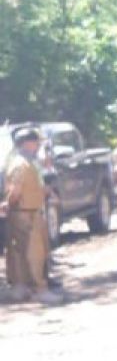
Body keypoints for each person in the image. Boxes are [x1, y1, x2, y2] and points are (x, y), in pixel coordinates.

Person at [3, 127, 59, 303]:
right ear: (26, 143)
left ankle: (22, 287)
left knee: (20, 251)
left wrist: (46, 191)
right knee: (34, 253)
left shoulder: (29, 162)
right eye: (35, 142)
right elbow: (16, 190)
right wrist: (9, 204)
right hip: (26, 213)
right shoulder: (21, 164)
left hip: (29, 210)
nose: (38, 145)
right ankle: (39, 289)